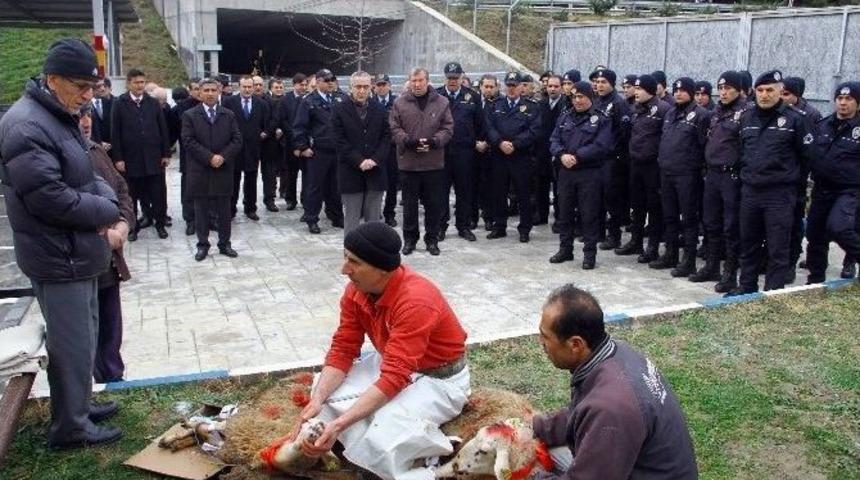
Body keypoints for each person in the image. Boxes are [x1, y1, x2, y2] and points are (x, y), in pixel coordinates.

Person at [0, 38, 122, 448]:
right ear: (53, 79)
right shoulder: (27, 124)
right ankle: (70, 428)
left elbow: (85, 172)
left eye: (93, 88)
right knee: (70, 344)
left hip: (77, 251)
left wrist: (104, 197)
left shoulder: (57, 113)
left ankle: (80, 405)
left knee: (85, 335)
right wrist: (106, 211)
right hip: (58, 255)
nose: (88, 97)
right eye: (80, 87)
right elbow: (49, 199)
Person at [290, 222, 469, 480]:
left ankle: (434, 464)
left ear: (382, 269)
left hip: (439, 380)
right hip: (392, 363)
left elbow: (395, 377)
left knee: (381, 436)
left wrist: (341, 424)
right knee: (324, 396)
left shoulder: (416, 301)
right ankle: (349, 442)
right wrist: (317, 399)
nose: (344, 269)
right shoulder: (357, 290)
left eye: (354, 262)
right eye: (345, 258)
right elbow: (343, 348)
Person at [532, 284, 698, 479]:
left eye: (545, 336)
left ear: (575, 344)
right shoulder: (618, 352)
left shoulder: (610, 407)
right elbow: (579, 415)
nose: (540, 343)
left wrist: (529, 475)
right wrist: (533, 427)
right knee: (543, 448)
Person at [727, 70, 816, 296]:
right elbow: (742, 153)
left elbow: (807, 158)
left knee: (777, 247)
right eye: (760, 90)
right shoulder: (747, 118)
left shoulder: (796, 119)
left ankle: (773, 293)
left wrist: (795, 192)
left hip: (779, 194)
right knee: (748, 243)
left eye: (770, 90)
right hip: (750, 191)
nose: (764, 95)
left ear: (780, 91)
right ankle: (746, 288)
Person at [79, 105, 133, 383]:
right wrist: (103, 233)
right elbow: (62, 205)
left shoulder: (96, 151)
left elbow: (121, 189)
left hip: (110, 260)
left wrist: (123, 224)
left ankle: (113, 377)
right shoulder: (57, 155)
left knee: (111, 324)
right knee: (86, 332)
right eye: (79, 116)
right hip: (80, 260)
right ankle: (93, 386)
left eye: (88, 115)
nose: (86, 121)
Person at [692, 71, 747, 292]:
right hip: (713, 175)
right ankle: (712, 265)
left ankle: (730, 272)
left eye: (728, 89)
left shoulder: (746, 113)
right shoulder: (714, 113)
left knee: (730, 227)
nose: (723, 93)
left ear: (739, 90)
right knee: (711, 223)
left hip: (731, 176)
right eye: (721, 88)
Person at [389, 67, 454, 255]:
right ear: (409, 82)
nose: (417, 84)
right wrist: (407, 141)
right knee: (409, 206)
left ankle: (432, 240)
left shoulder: (442, 102)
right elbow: (394, 128)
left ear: (428, 81)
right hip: (409, 163)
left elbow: (448, 127)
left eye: (420, 80)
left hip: (433, 163)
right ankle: (409, 239)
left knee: (434, 205)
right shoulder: (399, 103)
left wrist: (435, 141)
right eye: (413, 81)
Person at [548, 81, 613, 269]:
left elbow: (601, 145)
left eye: (581, 97)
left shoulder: (601, 119)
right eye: (574, 97)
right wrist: (561, 154)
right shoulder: (565, 116)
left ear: (590, 97)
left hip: (589, 173)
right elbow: (553, 140)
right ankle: (565, 249)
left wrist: (577, 157)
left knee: (589, 214)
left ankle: (589, 254)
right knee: (565, 212)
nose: (577, 100)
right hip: (566, 172)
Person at [651, 77, 711, 277]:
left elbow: (705, 147)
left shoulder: (702, 116)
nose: (678, 93)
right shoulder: (670, 112)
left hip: (688, 175)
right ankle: (671, 253)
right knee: (669, 216)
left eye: (683, 90)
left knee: (689, 219)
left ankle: (689, 260)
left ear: (692, 93)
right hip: (667, 172)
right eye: (676, 90)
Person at [181, 77, 243, 261]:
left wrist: (222, 156)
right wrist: (210, 157)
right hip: (200, 169)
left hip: (223, 169)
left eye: (213, 90)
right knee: (200, 210)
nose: (210, 94)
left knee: (224, 210)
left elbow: (237, 140)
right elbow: (188, 141)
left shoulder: (228, 115)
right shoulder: (190, 115)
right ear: (199, 93)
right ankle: (203, 245)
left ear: (219, 92)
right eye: (206, 90)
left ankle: (225, 244)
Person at [805, 82, 860, 284]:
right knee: (815, 234)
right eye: (840, 98)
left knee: (839, 227)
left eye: (849, 99)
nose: (843, 103)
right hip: (822, 188)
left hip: (849, 191)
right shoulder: (823, 125)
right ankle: (815, 279)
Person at [615, 75, 670, 263]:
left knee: (654, 207)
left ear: (650, 90)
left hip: (653, 166)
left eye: (640, 89)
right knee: (637, 205)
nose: (635, 92)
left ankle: (652, 246)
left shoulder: (663, 109)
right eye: (635, 89)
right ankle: (635, 241)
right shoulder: (635, 109)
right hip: (636, 163)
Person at [111, 68, 171, 240]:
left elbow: (162, 129)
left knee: (158, 193)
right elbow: (115, 132)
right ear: (129, 83)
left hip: (154, 158)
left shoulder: (152, 103)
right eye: (136, 82)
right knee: (132, 195)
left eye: (142, 82)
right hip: (131, 159)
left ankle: (160, 223)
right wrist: (118, 157)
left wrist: (165, 153)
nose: (140, 86)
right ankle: (133, 227)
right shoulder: (120, 103)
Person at [331, 71, 391, 234]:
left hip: (375, 172)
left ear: (371, 87)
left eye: (365, 87)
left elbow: (386, 137)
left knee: (373, 223)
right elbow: (339, 140)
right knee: (352, 221)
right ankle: (352, 257)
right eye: (358, 86)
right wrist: (359, 161)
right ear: (351, 87)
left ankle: (371, 257)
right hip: (350, 173)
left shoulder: (379, 109)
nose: (362, 91)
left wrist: (375, 159)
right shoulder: (339, 109)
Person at [485, 71, 542, 243]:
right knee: (498, 192)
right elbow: (488, 127)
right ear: (504, 86)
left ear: (521, 87)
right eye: (509, 85)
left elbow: (534, 131)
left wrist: (515, 144)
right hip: (499, 155)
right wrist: (500, 143)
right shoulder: (495, 105)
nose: (511, 89)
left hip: (521, 157)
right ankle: (499, 226)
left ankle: (524, 228)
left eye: (515, 85)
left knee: (523, 194)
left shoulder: (532, 107)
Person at [293, 68, 348, 233]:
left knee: (336, 186)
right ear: (317, 82)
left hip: (337, 151)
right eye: (326, 80)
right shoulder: (308, 101)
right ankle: (312, 219)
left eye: (332, 80)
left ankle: (336, 216)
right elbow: (299, 126)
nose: (330, 83)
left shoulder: (341, 98)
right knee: (315, 187)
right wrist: (303, 147)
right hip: (318, 151)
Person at [437, 62, 483, 242]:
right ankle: (440, 227)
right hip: (442, 151)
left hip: (465, 152)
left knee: (464, 191)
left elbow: (480, 123)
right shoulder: (436, 95)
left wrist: (479, 141)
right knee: (441, 192)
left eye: (456, 77)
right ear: (445, 77)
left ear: (462, 77)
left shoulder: (472, 96)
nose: (453, 81)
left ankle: (463, 226)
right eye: (450, 77)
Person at [591, 68, 632, 250]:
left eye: (603, 82)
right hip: (597, 158)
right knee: (596, 196)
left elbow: (623, 133)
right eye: (598, 82)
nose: (599, 85)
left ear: (612, 84)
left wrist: (614, 152)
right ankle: (597, 232)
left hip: (612, 159)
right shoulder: (596, 102)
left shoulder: (618, 103)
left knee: (611, 199)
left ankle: (614, 236)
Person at [223, 75, 271, 220]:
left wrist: (264, 133)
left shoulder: (261, 104)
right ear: (239, 86)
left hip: (253, 147)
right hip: (234, 148)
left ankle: (250, 208)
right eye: (245, 87)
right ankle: (231, 208)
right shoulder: (228, 102)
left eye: (250, 87)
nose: (248, 89)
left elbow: (267, 123)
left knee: (251, 179)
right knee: (234, 179)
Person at [535, 74, 569, 228]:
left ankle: (559, 218)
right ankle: (541, 215)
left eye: (556, 86)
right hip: (542, 151)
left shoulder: (567, 106)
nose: (552, 89)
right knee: (540, 185)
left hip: (559, 151)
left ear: (561, 87)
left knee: (558, 188)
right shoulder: (540, 105)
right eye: (550, 86)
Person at [170, 77, 203, 236]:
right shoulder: (180, 108)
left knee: (208, 189)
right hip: (188, 156)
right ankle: (190, 220)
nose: (198, 91)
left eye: (200, 88)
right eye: (195, 88)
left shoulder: (210, 106)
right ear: (190, 90)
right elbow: (173, 132)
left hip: (207, 156)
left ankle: (208, 219)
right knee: (188, 190)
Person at [371, 73, 399, 227]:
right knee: (374, 183)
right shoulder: (369, 102)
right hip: (374, 150)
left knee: (392, 184)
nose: (381, 88)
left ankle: (389, 213)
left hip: (393, 149)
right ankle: (374, 212)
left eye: (384, 84)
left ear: (389, 86)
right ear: (374, 87)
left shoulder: (397, 102)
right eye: (378, 85)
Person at [280, 73, 309, 210]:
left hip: (306, 144)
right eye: (301, 84)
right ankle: (290, 199)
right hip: (290, 144)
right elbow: (284, 121)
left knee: (307, 174)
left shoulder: (309, 99)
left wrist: (303, 143)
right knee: (291, 173)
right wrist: (295, 141)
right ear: (294, 84)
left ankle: (306, 199)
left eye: (305, 85)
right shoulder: (286, 99)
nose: (303, 87)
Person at [475, 74, 500, 230]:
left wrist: (488, 143)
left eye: (492, 87)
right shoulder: (473, 101)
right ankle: (472, 217)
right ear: (481, 87)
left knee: (491, 188)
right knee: (473, 185)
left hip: (492, 151)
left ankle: (489, 217)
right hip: (473, 150)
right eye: (486, 86)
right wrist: (475, 142)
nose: (489, 89)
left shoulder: (500, 104)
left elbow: (501, 128)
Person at [261, 77, 286, 213]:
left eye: (281, 87)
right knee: (269, 174)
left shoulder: (287, 100)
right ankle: (269, 199)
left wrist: (283, 129)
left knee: (285, 170)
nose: (279, 89)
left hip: (284, 141)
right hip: (269, 142)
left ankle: (284, 192)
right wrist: (272, 130)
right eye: (276, 87)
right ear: (270, 88)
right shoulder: (264, 101)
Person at [91, 77, 114, 148]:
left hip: (112, 148)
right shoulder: (84, 105)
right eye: (99, 86)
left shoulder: (110, 103)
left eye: (103, 85)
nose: (103, 89)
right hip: (94, 148)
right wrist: (98, 143)